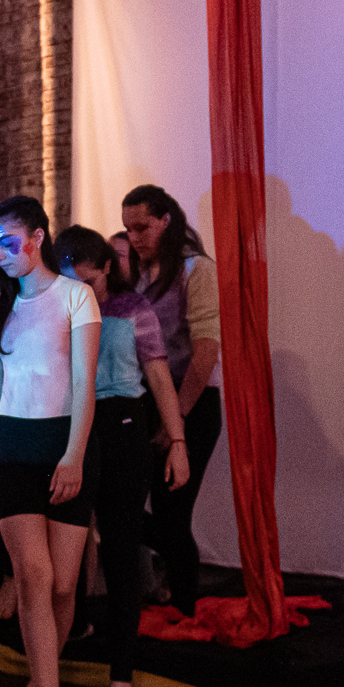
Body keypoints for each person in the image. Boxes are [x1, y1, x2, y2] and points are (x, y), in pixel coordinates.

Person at [0, 196, 100, 687]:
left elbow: (84, 382)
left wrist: (73, 455)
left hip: (63, 440)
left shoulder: (76, 295)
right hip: (13, 445)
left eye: (9, 241)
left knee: (65, 585)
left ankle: (39, 686)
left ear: (38, 236)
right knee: (34, 576)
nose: (0, 253)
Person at [56, 225, 188, 687]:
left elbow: (158, 376)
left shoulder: (133, 309)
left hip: (123, 428)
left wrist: (178, 442)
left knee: (120, 555)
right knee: (63, 561)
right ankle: (55, 663)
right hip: (71, 429)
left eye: (89, 282)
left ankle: (121, 680)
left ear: (108, 269)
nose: (81, 292)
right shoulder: (56, 307)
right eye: (72, 283)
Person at [121, 184, 222, 616]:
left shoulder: (195, 269)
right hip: (148, 400)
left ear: (166, 220)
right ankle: (175, 603)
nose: (135, 237)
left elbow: (205, 354)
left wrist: (174, 419)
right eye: (128, 229)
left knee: (172, 516)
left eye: (142, 227)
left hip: (189, 401)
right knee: (135, 508)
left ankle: (184, 609)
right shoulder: (139, 273)